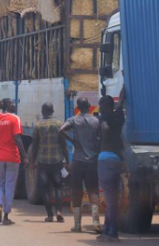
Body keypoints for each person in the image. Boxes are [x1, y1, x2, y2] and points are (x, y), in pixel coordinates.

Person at [59, 97, 102, 233]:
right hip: (92, 160)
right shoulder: (96, 121)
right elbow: (101, 138)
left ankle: (77, 225)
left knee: (77, 192)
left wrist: (72, 141)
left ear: (78, 106)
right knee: (93, 191)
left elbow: (61, 130)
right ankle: (96, 222)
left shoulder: (73, 120)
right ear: (89, 106)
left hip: (78, 161)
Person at [30, 102, 68, 223]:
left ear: (43, 111)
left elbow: (35, 145)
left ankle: (50, 215)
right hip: (57, 161)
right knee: (57, 188)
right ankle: (59, 211)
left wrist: (32, 161)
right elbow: (63, 144)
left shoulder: (38, 125)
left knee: (45, 189)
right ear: (52, 111)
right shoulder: (58, 124)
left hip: (42, 162)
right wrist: (67, 160)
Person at [0, 98, 27, 225]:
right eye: (12, 103)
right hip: (12, 156)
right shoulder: (14, 119)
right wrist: (25, 156)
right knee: (10, 185)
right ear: (9, 106)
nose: (14, 105)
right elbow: (17, 138)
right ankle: (6, 216)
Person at [96, 90, 125, 242]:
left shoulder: (104, 118)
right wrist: (122, 95)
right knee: (112, 198)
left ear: (105, 106)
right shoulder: (119, 115)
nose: (99, 108)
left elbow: (105, 128)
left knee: (110, 200)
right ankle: (107, 230)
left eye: (100, 105)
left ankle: (113, 233)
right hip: (117, 160)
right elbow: (120, 103)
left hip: (105, 159)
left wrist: (104, 136)